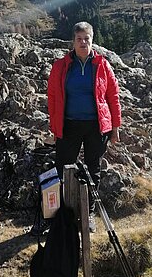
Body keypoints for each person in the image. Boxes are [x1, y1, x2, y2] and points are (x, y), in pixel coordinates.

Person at [47, 21, 121, 232]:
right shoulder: (60, 66)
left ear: (92, 40)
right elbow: (52, 97)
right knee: (63, 168)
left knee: (93, 169)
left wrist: (115, 127)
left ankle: (87, 214)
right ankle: (64, 216)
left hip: (96, 127)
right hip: (68, 125)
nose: (83, 42)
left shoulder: (102, 65)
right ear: (73, 41)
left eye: (86, 38)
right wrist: (55, 128)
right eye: (79, 39)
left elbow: (113, 96)